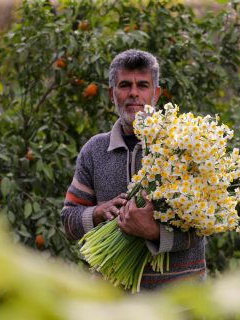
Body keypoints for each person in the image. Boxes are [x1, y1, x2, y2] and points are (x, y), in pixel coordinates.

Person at [61, 49, 205, 290]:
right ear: (112, 94)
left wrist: (156, 232)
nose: (134, 93)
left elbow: (204, 225)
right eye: (125, 85)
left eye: (143, 85)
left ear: (156, 93)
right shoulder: (94, 151)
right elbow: (68, 220)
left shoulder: (184, 145)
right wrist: (97, 213)